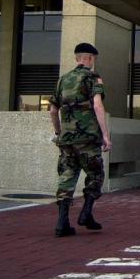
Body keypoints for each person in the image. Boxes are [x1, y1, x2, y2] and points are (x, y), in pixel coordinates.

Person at [48, 42, 112, 237]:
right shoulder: (93, 78)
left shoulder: (62, 80)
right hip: (87, 138)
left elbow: (53, 110)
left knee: (66, 177)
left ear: (77, 58)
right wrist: (105, 135)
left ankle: (62, 223)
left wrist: (58, 132)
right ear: (90, 58)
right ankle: (86, 212)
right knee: (96, 174)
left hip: (66, 140)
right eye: (93, 59)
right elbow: (98, 106)